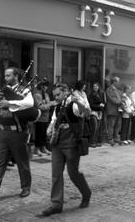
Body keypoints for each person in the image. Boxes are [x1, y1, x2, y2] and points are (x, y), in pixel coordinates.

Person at [0, 68, 33, 203]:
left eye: (9, 75)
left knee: (22, 161)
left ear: (16, 76)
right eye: (5, 75)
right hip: (2, 131)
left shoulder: (25, 90)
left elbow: (29, 104)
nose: (6, 78)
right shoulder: (2, 90)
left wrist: (10, 103)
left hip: (18, 132)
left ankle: (26, 187)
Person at [38, 83, 91, 217]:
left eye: (58, 94)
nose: (55, 97)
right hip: (57, 141)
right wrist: (50, 128)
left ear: (66, 92)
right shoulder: (58, 106)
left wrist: (77, 102)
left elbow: (86, 112)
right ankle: (56, 204)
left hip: (72, 141)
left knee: (73, 173)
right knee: (56, 174)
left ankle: (86, 192)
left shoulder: (73, 103)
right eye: (54, 95)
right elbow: (55, 119)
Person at [33, 80, 53, 156]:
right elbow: (40, 106)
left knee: (44, 133)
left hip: (46, 117)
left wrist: (49, 105)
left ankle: (43, 147)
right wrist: (49, 105)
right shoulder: (37, 95)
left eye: (47, 86)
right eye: (45, 86)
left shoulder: (46, 94)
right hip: (39, 117)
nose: (46, 88)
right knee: (39, 133)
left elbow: (48, 104)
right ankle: (37, 149)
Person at [106, 77, 123, 146]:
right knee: (111, 125)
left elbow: (120, 98)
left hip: (118, 110)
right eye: (118, 82)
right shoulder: (109, 89)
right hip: (112, 110)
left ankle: (116, 138)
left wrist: (122, 100)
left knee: (118, 124)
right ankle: (110, 139)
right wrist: (121, 102)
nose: (119, 83)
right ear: (114, 82)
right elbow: (112, 99)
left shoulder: (117, 90)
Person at [88, 83, 105, 147]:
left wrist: (102, 106)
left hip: (99, 112)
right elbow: (91, 105)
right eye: (94, 86)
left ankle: (96, 141)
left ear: (99, 87)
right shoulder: (91, 94)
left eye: (96, 86)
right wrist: (99, 106)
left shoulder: (101, 94)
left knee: (98, 128)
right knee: (94, 128)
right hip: (93, 112)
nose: (95, 87)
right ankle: (92, 142)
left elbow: (103, 102)